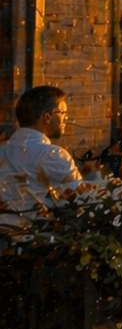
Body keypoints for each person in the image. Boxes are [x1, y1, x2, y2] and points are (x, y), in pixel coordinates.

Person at [0, 86, 88, 228]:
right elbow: (82, 198)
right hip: (37, 238)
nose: (66, 118)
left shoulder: (2, 149)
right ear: (47, 117)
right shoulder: (53, 154)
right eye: (63, 112)